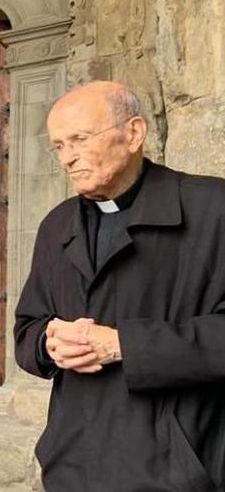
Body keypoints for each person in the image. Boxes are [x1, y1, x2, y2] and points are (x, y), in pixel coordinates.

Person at [14, 81, 225, 490]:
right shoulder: (56, 225)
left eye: (79, 139)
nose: (67, 158)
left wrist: (124, 344)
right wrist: (48, 340)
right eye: (58, 146)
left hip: (175, 470)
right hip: (73, 463)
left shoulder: (213, 209)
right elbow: (26, 329)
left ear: (133, 133)